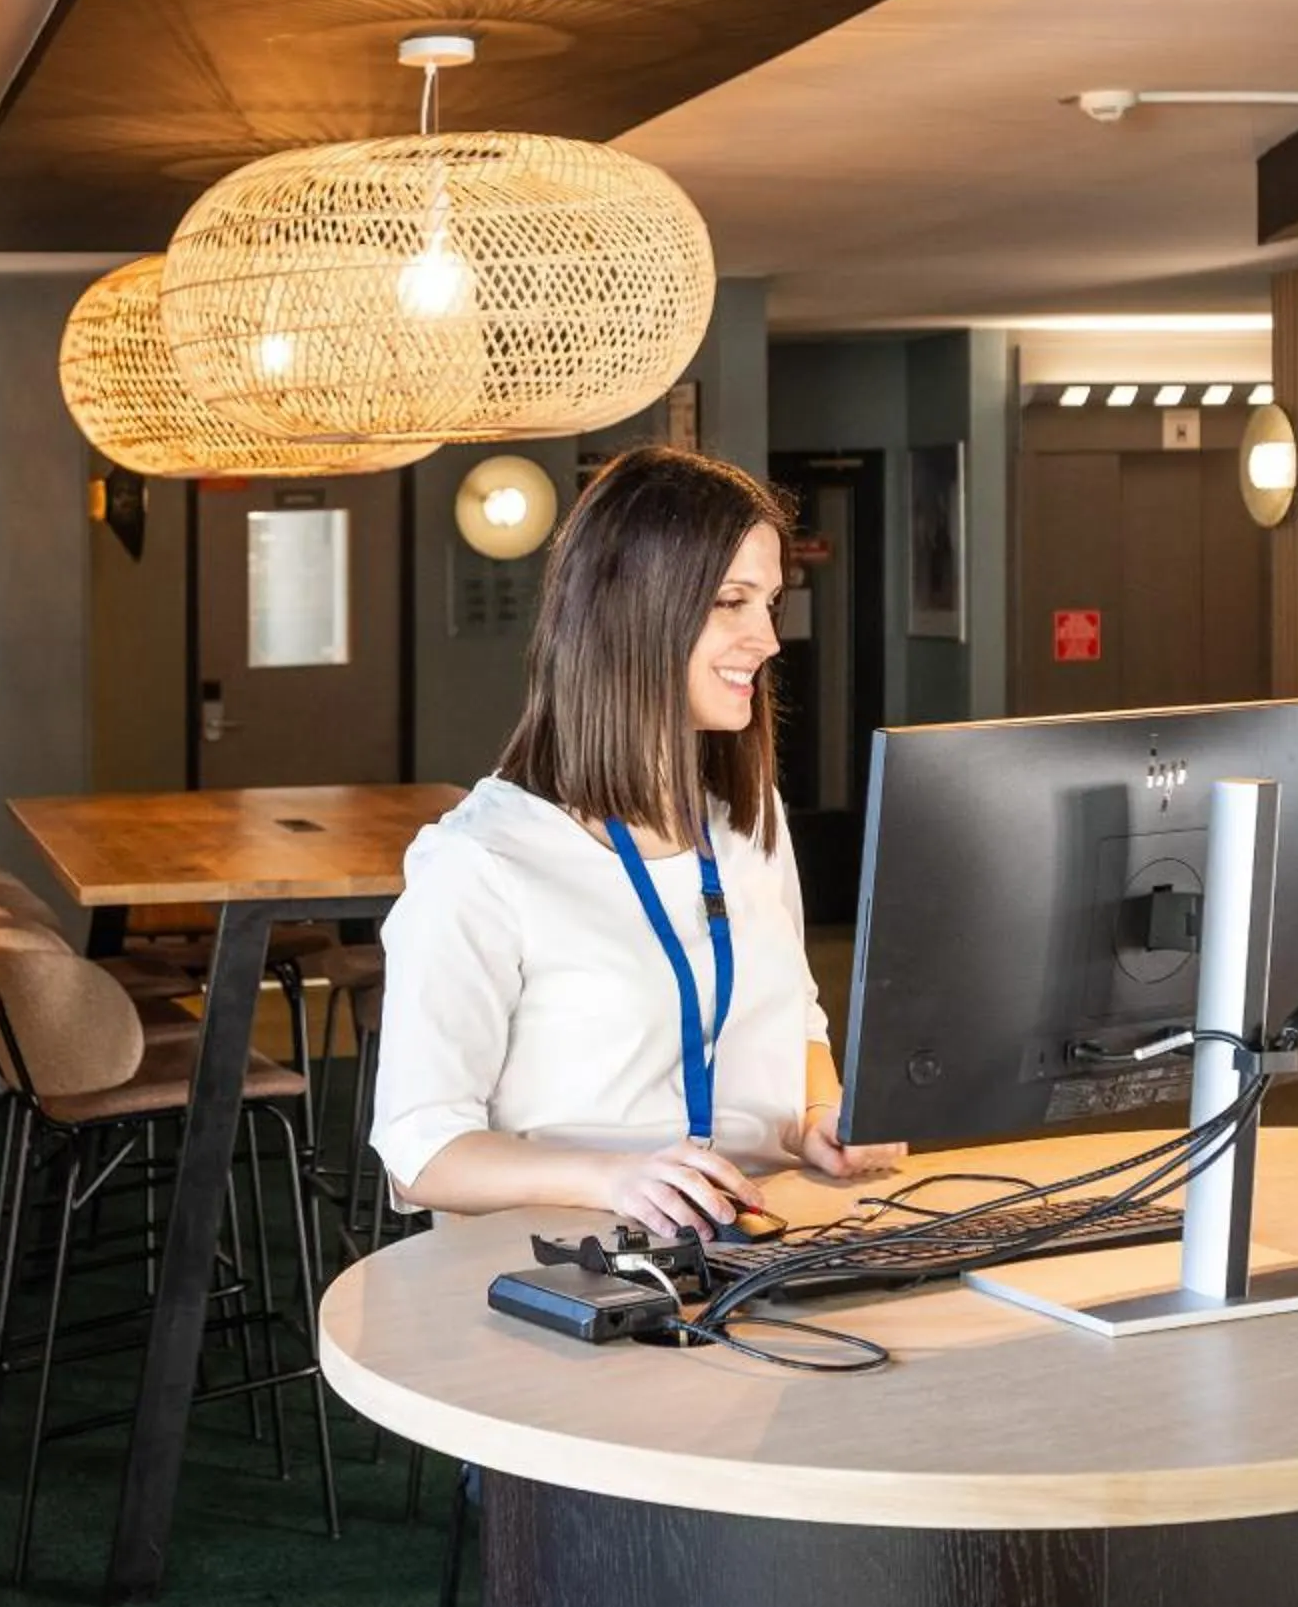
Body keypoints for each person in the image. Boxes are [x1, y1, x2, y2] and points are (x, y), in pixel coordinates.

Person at [370, 446, 904, 1239]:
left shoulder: (747, 819)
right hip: (566, 1261)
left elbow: (796, 1018)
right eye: (730, 602)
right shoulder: (480, 861)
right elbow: (419, 1152)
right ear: (631, 612)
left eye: (769, 603)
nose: (767, 639)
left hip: (763, 1240)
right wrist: (613, 1179)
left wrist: (817, 1117)